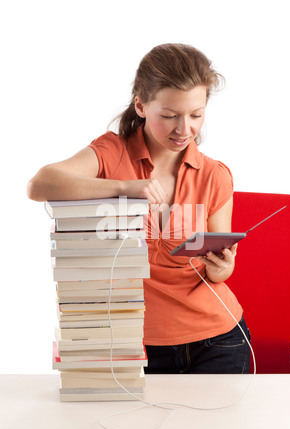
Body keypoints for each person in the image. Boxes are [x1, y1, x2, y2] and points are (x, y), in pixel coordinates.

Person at [27, 43, 251, 374]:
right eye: (169, 116)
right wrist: (123, 187)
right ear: (141, 106)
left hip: (218, 340)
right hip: (131, 344)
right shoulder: (111, 154)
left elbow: (220, 268)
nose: (183, 129)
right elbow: (40, 184)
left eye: (196, 115)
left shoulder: (215, 175)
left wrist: (222, 268)